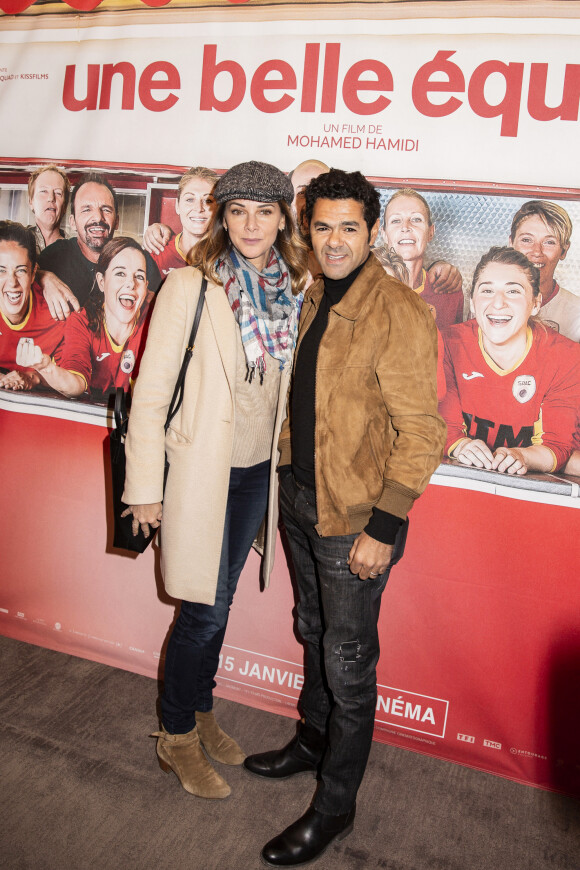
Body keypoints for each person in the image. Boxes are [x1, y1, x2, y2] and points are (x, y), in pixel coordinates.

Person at [244, 169, 446, 867]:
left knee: (349, 661)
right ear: (309, 227)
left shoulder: (398, 311)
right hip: (300, 496)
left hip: (355, 518)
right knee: (313, 630)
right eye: (322, 226)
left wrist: (382, 529)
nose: (333, 241)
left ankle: (335, 807)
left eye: (349, 228)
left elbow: (423, 432)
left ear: (372, 231)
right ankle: (311, 740)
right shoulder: (316, 294)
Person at [121, 161, 308, 801]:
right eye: (237, 211)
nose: (250, 225)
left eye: (264, 211)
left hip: (256, 472)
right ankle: (176, 735)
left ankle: (200, 710)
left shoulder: (291, 289)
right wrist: (143, 488)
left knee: (218, 603)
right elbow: (149, 395)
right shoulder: (191, 286)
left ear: (283, 217)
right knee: (203, 611)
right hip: (201, 472)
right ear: (222, 217)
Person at [439, 247, 580, 475]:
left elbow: (557, 445)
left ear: (535, 303)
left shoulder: (566, 356)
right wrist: (460, 445)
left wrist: (522, 456)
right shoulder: (448, 342)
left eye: (513, 291)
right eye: (487, 290)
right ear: (473, 301)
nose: (498, 303)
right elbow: (444, 428)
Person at [18, 237, 151, 401]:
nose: (131, 284)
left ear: (146, 287)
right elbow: (76, 385)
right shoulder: (82, 321)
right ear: (101, 282)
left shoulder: (154, 322)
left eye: (139, 276)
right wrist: (46, 367)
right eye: (120, 273)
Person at [37, 172, 161, 316]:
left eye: (106, 210)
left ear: (117, 221)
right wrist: (42, 277)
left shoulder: (141, 261)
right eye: (86, 209)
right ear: (72, 222)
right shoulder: (53, 257)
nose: (97, 217)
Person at [381, 188, 464, 328]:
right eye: (396, 221)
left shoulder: (448, 289)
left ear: (430, 232)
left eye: (416, 219)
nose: (405, 227)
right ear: (384, 234)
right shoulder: (365, 288)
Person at [0, 222, 66, 392]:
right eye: (1, 271)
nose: (12, 283)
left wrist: (33, 377)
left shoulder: (56, 315)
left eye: (20, 270)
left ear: (33, 274)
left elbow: (71, 377)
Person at [509, 200, 580, 342]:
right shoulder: (489, 300)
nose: (536, 252)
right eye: (527, 240)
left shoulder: (576, 313)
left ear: (564, 250)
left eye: (549, 242)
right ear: (511, 243)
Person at [145, 166, 219, 273]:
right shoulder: (156, 254)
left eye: (208, 201)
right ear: (177, 206)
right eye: (190, 199)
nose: (199, 208)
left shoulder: (230, 260)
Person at [27, 164, 70, 253]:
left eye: (58, 193)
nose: (51, 198)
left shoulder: (76, 251)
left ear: (65, 206)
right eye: (43, 191)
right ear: (31, 202)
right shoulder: (15, 242)